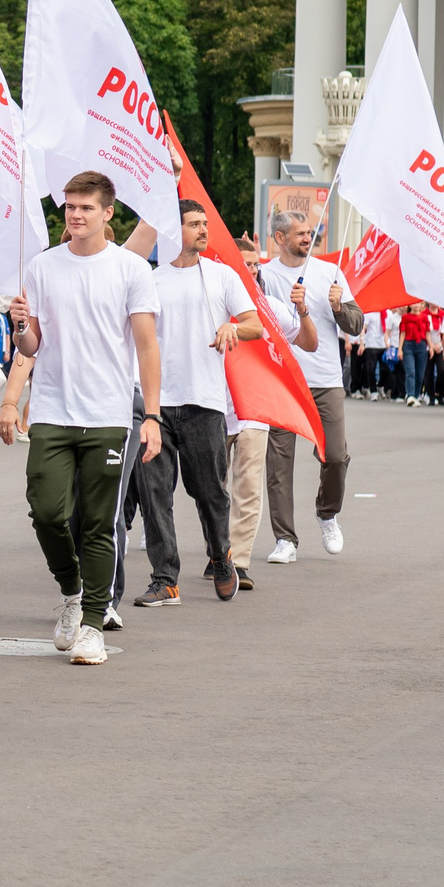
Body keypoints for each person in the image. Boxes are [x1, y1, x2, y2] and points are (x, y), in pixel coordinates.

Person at [0, 171, 161, 669]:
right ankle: (71, 589)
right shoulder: (43, 268)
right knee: (46, 511)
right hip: (53, 412)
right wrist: (20, 323)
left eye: (85, 207)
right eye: (69, 207)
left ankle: (92, 623)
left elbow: (147, 347)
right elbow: (31, 345)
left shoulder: (131, 269)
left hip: (109, 414)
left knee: (97, 523)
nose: (75, 214)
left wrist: (151, 415)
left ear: (108, 212)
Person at [135, 197, 264, 606]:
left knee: (210, 492)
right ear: (176, 231)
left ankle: (220, 555)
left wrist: (231, 327)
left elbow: (255, 326)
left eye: (205, 223)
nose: (204, 230)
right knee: (155, 494)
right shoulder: (151, 280)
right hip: (156, 404)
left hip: (204, 402)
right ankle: (165, 578)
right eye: (194, 224)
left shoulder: (222, 276)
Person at [254, 213, 358, 563]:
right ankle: (285, 539)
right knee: (279, 464)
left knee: (335, 456)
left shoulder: (329, 272)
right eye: (300, 234)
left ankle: (327, 513)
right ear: (280, 238)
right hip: (283, 380)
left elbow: (357, 324)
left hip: (326, 379)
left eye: (309, 233)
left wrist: (337, 306)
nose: (307, 238)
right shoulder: (266, 275)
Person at [398, 303, 432, 405]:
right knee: (410, 371)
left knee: (420, 374)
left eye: (419, 303)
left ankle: (416, 395)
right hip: (408, 345)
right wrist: (400, 348)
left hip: (421, 345)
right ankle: (410, 395)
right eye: (414, 303)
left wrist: (431, 346)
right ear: (410, 305)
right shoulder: (405, 317)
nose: (417, 306)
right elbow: (403, 333)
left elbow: (427, 333)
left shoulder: (425, 318)